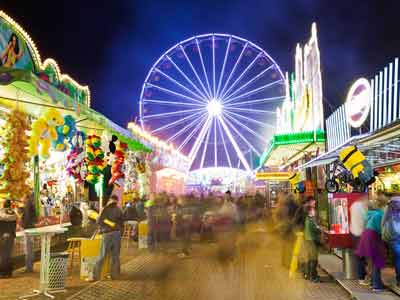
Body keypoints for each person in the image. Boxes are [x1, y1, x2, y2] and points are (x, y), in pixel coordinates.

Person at [355, 196, 387, 292]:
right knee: (377, 259)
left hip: (366, 236)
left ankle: (373, 282)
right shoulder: (380, 214)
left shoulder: (370, 213)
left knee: (371, 261)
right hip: (373, 236)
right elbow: (381, 229)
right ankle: (376, 286)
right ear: (383, 205)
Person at [93, 195, 123, 281]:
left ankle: (96, 276)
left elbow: (99, 221)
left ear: (110, 200)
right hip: (117, 234)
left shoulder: (105, 209)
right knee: (115, 256)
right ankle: (114, 275)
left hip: (107, 234)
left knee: (102, 255)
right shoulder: (119, 210)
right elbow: (122, 223)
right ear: (116, 201)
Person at [382, 196, 400, 287]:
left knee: (398, 258)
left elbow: (383, 225)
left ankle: (399, 280)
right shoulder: (391, 215)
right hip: (395, 239)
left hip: (392, 240)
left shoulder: (387, 213)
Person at [350, 196, 368, 283]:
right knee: (361, 256)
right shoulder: (361, 207)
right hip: (360, 234)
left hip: (354, 233)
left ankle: (361, 276)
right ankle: (361, 277)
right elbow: (365, 220)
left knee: (359, 256)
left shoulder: (353, 205)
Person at [303, 196, 321, 282]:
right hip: (311, 237)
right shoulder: (311, 211)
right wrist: (318, 228)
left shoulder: (306, 210)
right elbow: (312, 225)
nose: (315, 203)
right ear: (310, 202)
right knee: (313, 258)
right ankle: (312, 276)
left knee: (310, 257)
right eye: (313, 202)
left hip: (307, 237)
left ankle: (308, 274)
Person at [0, 199, 17, 278]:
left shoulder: (1, 212)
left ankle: (3, 273)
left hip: (3, 235)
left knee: (3, 255)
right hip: (11, 235)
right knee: (8, 254)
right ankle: (9, 272)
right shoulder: (13, 212)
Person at [21, 193, 37, 273]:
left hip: (28, 229)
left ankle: (29, 267)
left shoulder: (28, 205)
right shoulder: (30, 205)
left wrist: (23, 225)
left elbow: (27, 218)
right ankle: (29, 266)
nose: (22, 198)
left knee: (28, 248)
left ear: (26, 198)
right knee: (29, 248)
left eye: (23, 197)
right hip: (29, 228)